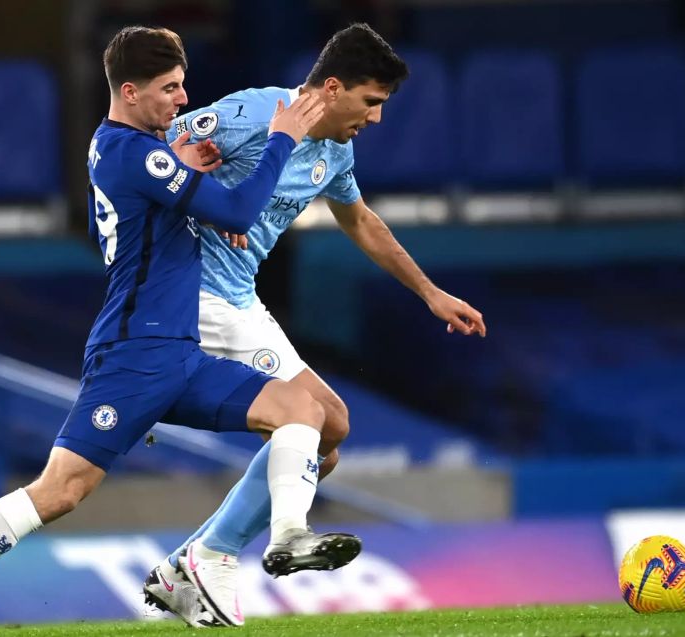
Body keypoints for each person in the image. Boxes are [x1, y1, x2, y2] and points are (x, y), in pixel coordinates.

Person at [0, 25, 360, 637]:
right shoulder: (134, 154)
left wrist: (189, 179)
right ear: (129, 92)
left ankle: (287, 535)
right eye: (169, 89)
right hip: (132, 356)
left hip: (181, 353)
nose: (182, 100)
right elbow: (237, 210)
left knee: (305, 410)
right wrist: (282, 139)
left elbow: (181, 207)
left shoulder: (127, 150)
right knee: (59, 492)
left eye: (183, 86)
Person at [142, 22, 487, 629]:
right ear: (331, 87)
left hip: (240, 298)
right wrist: (193, 178)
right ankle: (244, 547)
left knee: (331, 432)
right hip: (194, 295)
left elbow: (361, 222)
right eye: (371, 103)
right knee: (310, 417)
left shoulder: (335, 151)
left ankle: (187, 565)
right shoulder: (253, 113)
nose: (376, 120)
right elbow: (147, 153)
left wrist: (430, 293)